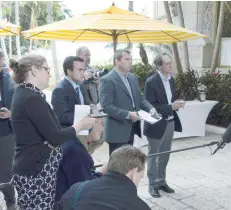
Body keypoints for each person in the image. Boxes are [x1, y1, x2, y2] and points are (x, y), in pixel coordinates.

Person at [9, 54, 96, 210]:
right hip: (36, 170)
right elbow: (55, 137)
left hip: (31, 166)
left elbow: (45, 132)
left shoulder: (25, 92)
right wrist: (80, 125)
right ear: (34, 70)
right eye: (46, 69)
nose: (50, 73)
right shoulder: (31, 97)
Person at [99, 49, 157, 155]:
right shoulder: (107, 80)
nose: (130, 62)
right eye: (127, 59)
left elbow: (140, 98)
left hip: (132, 128)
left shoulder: (132, 77)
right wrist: (128, 114)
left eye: (131, 59)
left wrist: (151, 108)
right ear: (117, 61)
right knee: (117, 167)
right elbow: (106, 106)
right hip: (117, 132)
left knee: (128, 164)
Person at [57, 145, 151, 210]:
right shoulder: (139, 206)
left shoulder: (77, 189)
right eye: (140, 176)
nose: (139, 181)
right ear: (133, 171)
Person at [144, 53, 185, 198]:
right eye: (167, 63)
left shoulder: (171, 80)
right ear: (159, 66)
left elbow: (170, 101)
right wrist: (171, 106)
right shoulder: (151, 82)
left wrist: (177, 104)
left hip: (170, 122)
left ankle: (161, 181)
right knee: (154, 155)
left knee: (165, 155)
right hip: (156, 123)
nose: (170, 65)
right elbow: (151, 106)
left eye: (171, 62)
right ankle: (152, 185)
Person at [51, 56, 104, 154]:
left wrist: (95, 115)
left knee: (101, 137)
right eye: (79, 70)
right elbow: (61, 116)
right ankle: (85, 158)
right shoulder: (60, 90)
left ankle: (86, 157)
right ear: (69, 71)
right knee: (83, 152)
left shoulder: (80, 86)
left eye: (83, 70)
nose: (83, 73)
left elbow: (86, 105)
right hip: (72, 131)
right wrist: (84, 119)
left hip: (85, 126)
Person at [55, 119, 106, 202]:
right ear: (88, 124)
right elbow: (84, 190)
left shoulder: (71, 141)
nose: (102, 129)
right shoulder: (76, 152)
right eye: (100, 124)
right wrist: (102, 172)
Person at [0, 50, 17, 209]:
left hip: (6, 130)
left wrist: (12, 113)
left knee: (5, 170)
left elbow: (19, 102)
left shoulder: (10, 79)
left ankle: (11, 201)